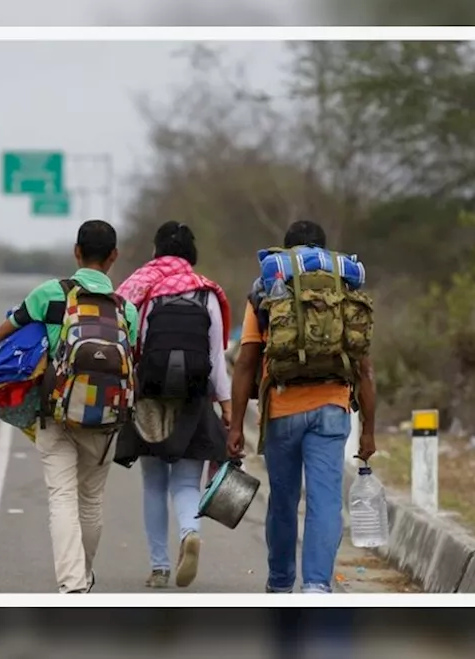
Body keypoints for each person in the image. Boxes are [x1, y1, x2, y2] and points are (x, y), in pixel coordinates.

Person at [227, 220, 378, 594]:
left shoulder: (266, 288)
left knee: (283, 499)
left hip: (281, 408)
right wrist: (370, 431)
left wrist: (233, 427)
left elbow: (246, 361)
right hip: (331, 407)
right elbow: (364, 368)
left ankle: (280, 584)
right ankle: (315, 586)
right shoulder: (345, 289)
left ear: (287, 252)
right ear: (325, 251)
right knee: (325, 502)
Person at [0, 219, 140, 593]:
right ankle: (84, 576)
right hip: (106, 420)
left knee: (62, 498)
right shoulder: (126, 309)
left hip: (55, 413)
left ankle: (73, 586)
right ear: (113, 257)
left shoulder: (49, 294)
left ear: (76, 252)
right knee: (91, 501)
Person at [113, 221, 232, 589]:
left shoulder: (142, 288)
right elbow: (216, 357)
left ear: (156, 251)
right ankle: (189, 532)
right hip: (194, 398)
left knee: (152, 482)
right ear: (190, 255)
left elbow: (132, 346)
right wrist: (227, 408)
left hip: (150, 397)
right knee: (185, 481)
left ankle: (160, 566)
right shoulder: (206, 292)